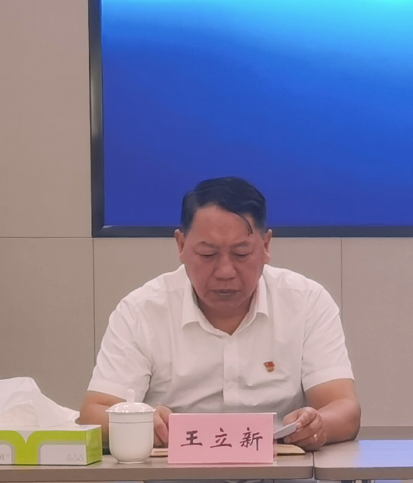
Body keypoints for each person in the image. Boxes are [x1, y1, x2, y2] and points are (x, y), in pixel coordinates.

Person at [80, 177, 360, 451]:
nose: (225, 272)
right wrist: (140, 422)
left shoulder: (306, 302)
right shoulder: (141, 311)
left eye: (241, 254)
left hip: (280, 468)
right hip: (172, 472)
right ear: (181, 245)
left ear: (266, 246)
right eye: (207, 254)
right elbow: (93, 414)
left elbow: (344, 408)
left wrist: (317, 424)